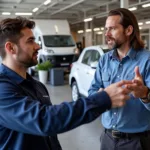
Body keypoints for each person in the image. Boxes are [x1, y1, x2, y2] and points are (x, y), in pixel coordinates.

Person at [0, 17, 132, 150]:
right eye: (30, 41)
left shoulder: (37, 86)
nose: (38, 46)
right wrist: (104, 99)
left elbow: (50, 135)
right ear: (11, 48)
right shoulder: (2, 89)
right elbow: (45, 120)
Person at [88, 8, 150, 150]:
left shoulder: (147, 61)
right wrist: (99, 96)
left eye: (112, 29)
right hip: (107, 138)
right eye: (106, 29)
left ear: (128, 30)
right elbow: (92, 90)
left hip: (137, 142)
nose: (107, 34)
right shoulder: (104, 60)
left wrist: (145, 94)